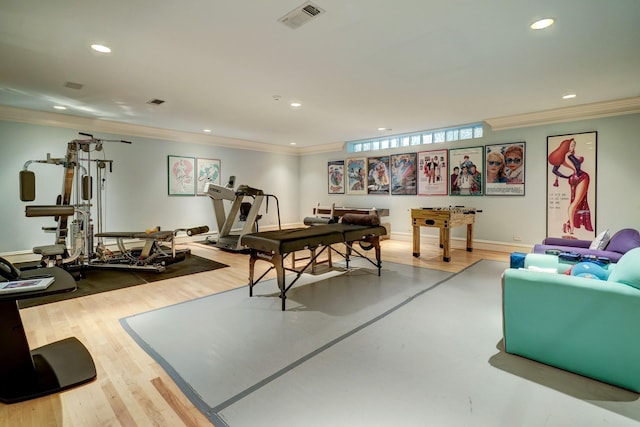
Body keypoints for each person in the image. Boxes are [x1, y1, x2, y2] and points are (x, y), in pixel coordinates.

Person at [548, 138, 593, 235]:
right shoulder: (567, 155)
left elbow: (554, 170)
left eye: (574, 145)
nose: (573, 147)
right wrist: (574, 171)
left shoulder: (562, 157)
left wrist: (567, 176)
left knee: (574, 202)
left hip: (573, 179)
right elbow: (574, 167)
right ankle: (571, 227)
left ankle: (570, 224)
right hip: (581, 177)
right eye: (572, 145)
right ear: (567, 146)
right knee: (575, 203)